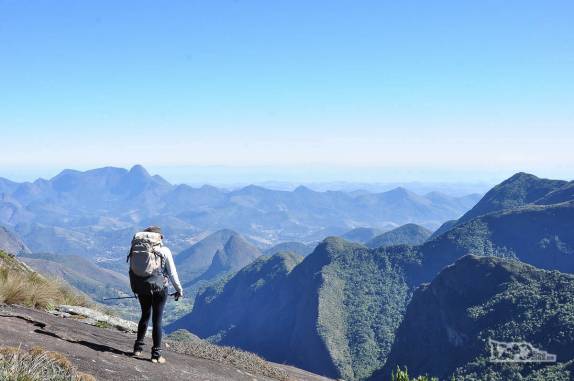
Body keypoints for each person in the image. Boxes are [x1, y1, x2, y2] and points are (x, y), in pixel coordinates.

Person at [127, 226, 183, 363]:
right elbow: (172, 273)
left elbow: (133, 270)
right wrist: (179, 290)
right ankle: (156, 354)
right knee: (157, 320)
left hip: (142, 287)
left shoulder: (138, 248)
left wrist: (136, 287)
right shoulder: (164, 250)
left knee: (145, 315)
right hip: (159, 289)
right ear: (159, 237)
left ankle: (137, 348)